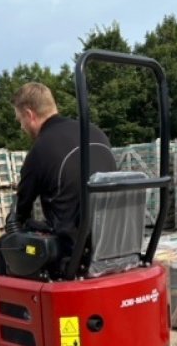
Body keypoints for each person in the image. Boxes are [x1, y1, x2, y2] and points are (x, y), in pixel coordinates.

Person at [9, 82, 116, 260]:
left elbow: (21, 211)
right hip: (111, 243)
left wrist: (12, 224)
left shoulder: (40, 150)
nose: (22, 127)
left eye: (20, 120)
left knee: (8, 247)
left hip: (72, 254)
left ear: (29, 114)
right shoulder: (96, 132)